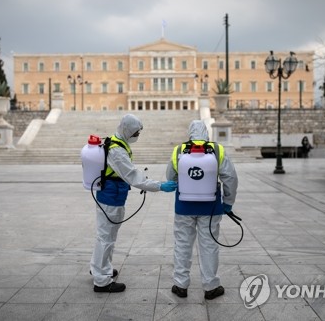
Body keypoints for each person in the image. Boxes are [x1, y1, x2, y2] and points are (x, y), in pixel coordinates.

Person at [90, 114, 177, 293]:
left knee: (106, 236)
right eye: (136, 132)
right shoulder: (117, 150)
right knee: (106, 237)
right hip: (110, 197)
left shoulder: (118, 142)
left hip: (113, 195)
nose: (137, 135)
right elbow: (133, 177)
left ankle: (100, 268)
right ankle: (101, 280)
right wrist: (159, 185)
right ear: (128, 130)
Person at [165, 120, 238, 300]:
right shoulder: (218, 150)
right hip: (211, 207)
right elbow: (230, 178)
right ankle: (211, 286)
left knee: (182, 244)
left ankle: (180, 285)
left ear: (190, 133)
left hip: (184, 206)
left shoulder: (179, 150)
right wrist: (228, 202)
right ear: (206, 132)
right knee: (209, 245)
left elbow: (170, 177)